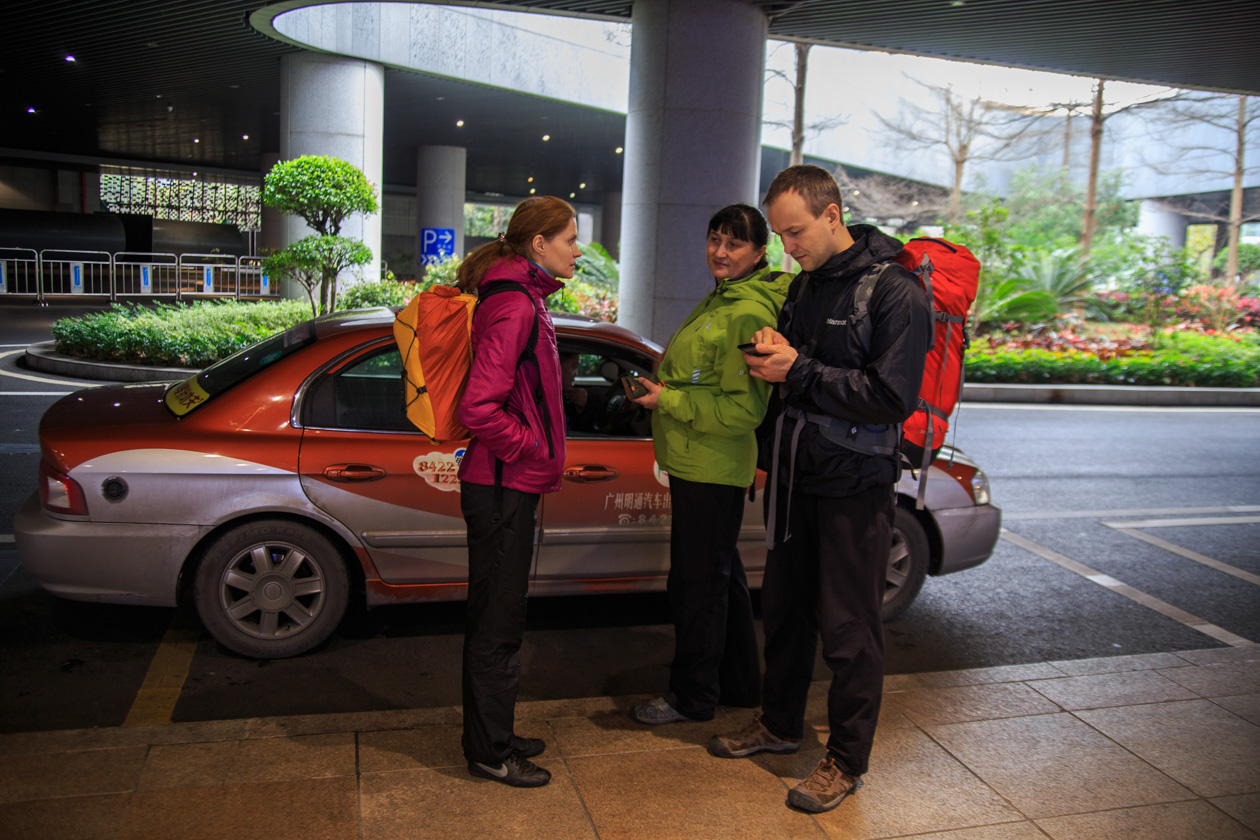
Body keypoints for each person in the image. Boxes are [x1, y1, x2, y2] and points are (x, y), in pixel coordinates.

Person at [708, 166, 932, 813]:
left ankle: (845, 761)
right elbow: (795, 377)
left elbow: (891, 398)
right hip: (796, 476)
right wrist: (778, 358)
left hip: (855, 487)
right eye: (780, 235)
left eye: (795, 232)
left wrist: (797, 367)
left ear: (832, 215)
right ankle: (779, 725)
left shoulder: (895, 292)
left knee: (849, 629)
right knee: (783, 611)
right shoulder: (805, 287)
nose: (787, 248)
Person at [627, 203, 792, 726]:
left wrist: (667, 402)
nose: (720, 251)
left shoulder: (745, 311)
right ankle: (741, 686)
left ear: (761, 252)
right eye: (714, 238)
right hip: (698, 461)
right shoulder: (727, 296)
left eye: (735, 243)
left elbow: (744, 410)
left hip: (712, 464)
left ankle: (691, 697)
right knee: (723, 578)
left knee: (697, 585)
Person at [455, 195, 581, 788]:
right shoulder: (515, 305)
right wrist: (531, 447)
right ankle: (489, 752)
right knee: (497, 625)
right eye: (571, 239)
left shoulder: (524, 297)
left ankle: (494, 733)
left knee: (501, 618)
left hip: (508, 484)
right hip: (503, 484)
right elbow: (478, 407)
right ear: (539, 244)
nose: (577, 250)